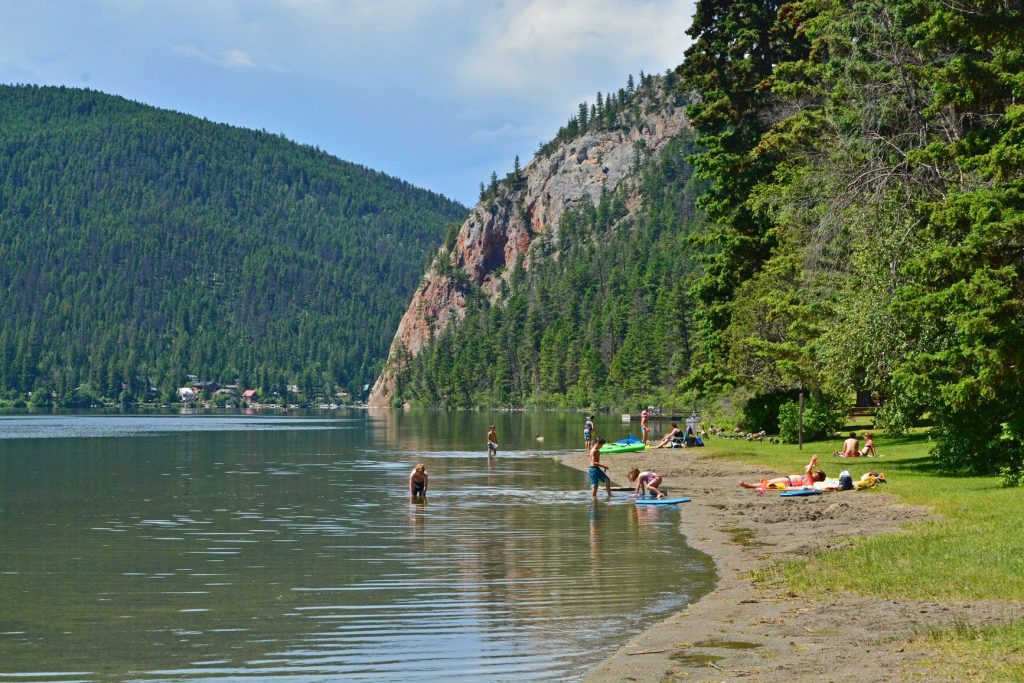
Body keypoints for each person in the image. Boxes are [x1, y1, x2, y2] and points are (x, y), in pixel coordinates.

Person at [740, 454, 826, 489]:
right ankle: (751, 485)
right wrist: (812, 464)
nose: (815, 473)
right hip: (788, 479)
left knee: (767, 484)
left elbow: (808, 470)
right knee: (768, 483)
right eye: (816, 472)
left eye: (816, 473)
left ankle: (749, 485)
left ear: (818, 477)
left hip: (789, 482)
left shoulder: (811, 481)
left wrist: (811, 461)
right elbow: (806, 468)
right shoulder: (810, 476)